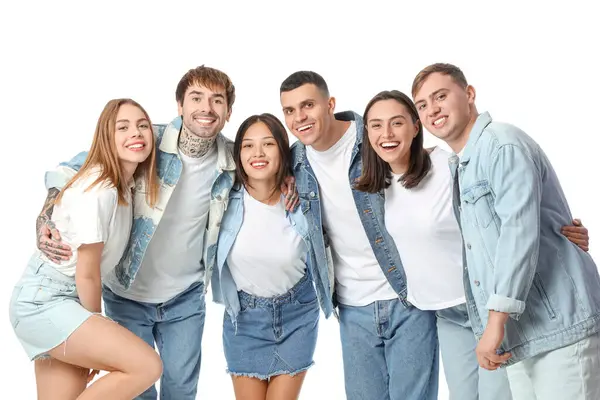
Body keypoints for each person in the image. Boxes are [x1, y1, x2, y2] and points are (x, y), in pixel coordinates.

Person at [35, 66, 297, 400]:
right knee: (137, 390)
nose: (206, 108)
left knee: (181, 391)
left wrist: (289, 176)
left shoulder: (235, 158)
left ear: (228, 112)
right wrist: (45, 215)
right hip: (127, 295)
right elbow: (72, 169)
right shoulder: (145, 140)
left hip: (185, 299)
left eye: (217, 101)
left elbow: (274, 163)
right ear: (179, 105)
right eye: (196, 98)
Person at [355, 89, 591, 399]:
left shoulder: (447, 165)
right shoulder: (371, 187)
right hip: (443, 314)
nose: (386, 133)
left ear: (416, 127)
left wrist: (561, 230)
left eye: (397, 123)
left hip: (485, 305)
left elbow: (511, 209)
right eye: (375, 125)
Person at [412, 62, 600, 400]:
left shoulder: (501, 144)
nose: (432, 110)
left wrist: (494, 323)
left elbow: (518, 235)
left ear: (469, 94)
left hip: (560, 328)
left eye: (440, 96)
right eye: (422, 105)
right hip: (524, 335)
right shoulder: (464, 164)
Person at [280, 71, 438, 400]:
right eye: (290, 110)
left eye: (308, 105)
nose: (300, 118)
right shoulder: (294, 161)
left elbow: (435, 175)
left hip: (407, 297)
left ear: (330, 104)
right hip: (352, 307)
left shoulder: (373, 137)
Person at [9, 98, 162, 399]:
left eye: (143, 126)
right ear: (106, 136)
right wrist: (95, 331)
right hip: (45, 301)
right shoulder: (101, 189)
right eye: (123, 127)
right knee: (147, 366)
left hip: (59, 300)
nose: (136, 133)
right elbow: (88, 274)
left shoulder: (124, 186)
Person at [212, 113, 323, 400]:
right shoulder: (222, 198)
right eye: (248, 146)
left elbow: (326, 144)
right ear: (238, 154)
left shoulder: (303, 196)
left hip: (297, 313)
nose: (257, 153)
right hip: (245, 320)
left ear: (283, 150)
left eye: (268, 144)